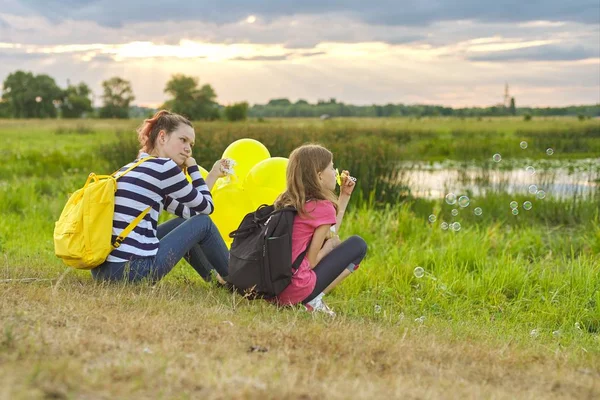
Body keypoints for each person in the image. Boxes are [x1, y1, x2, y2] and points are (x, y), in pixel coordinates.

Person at [91, 110, 229, 283]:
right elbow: (207, 208)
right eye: (183, 140)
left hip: (104, 271)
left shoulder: (135, 166)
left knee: (185, 223)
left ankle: (215, 279)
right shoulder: (164, 168)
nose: (188, 149)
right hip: (132, 270)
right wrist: (193, 167)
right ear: (162, 137)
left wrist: (213, 175)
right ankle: (239, 281)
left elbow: (190, 214)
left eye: (191, 144)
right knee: (204, 223)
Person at [273, 144, 367, 316]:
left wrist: (344, 196)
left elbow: (328, 232)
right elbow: (313, 260)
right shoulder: (322, 207)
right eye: (331, 167)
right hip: (296, 290)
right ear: (319, 176)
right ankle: (313, 299)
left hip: (277, 289)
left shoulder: (289, 201)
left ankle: (312, 299)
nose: (335, 171)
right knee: (358, 245)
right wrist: (329, 247)